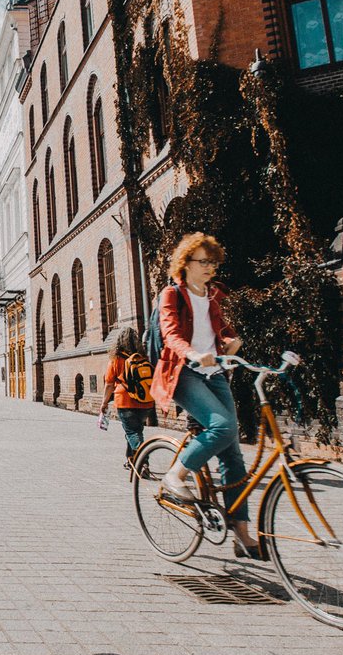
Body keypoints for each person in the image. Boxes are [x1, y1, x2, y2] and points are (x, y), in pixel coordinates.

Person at [149, 232, 260, 559]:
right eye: (204, 261)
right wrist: (194, 354)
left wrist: (231, 343)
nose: (210, 267)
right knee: (223, 427)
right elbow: (170, 335)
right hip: (182, 374)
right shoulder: (171, 295)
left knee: (233, 452)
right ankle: (174, 476)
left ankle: (241, 534)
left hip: (215, 375)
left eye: (213, 261)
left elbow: (221, 331)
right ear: (187, 263)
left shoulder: (214, 295)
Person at [98, 326, 156, 471]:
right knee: (136, 431)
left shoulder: (116, 359)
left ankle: (143, 462)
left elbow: (109, 384)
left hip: (125, 402)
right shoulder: (143, 357)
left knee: (132, 433)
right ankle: (130, 460)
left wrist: (104, 403)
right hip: (146, 401)